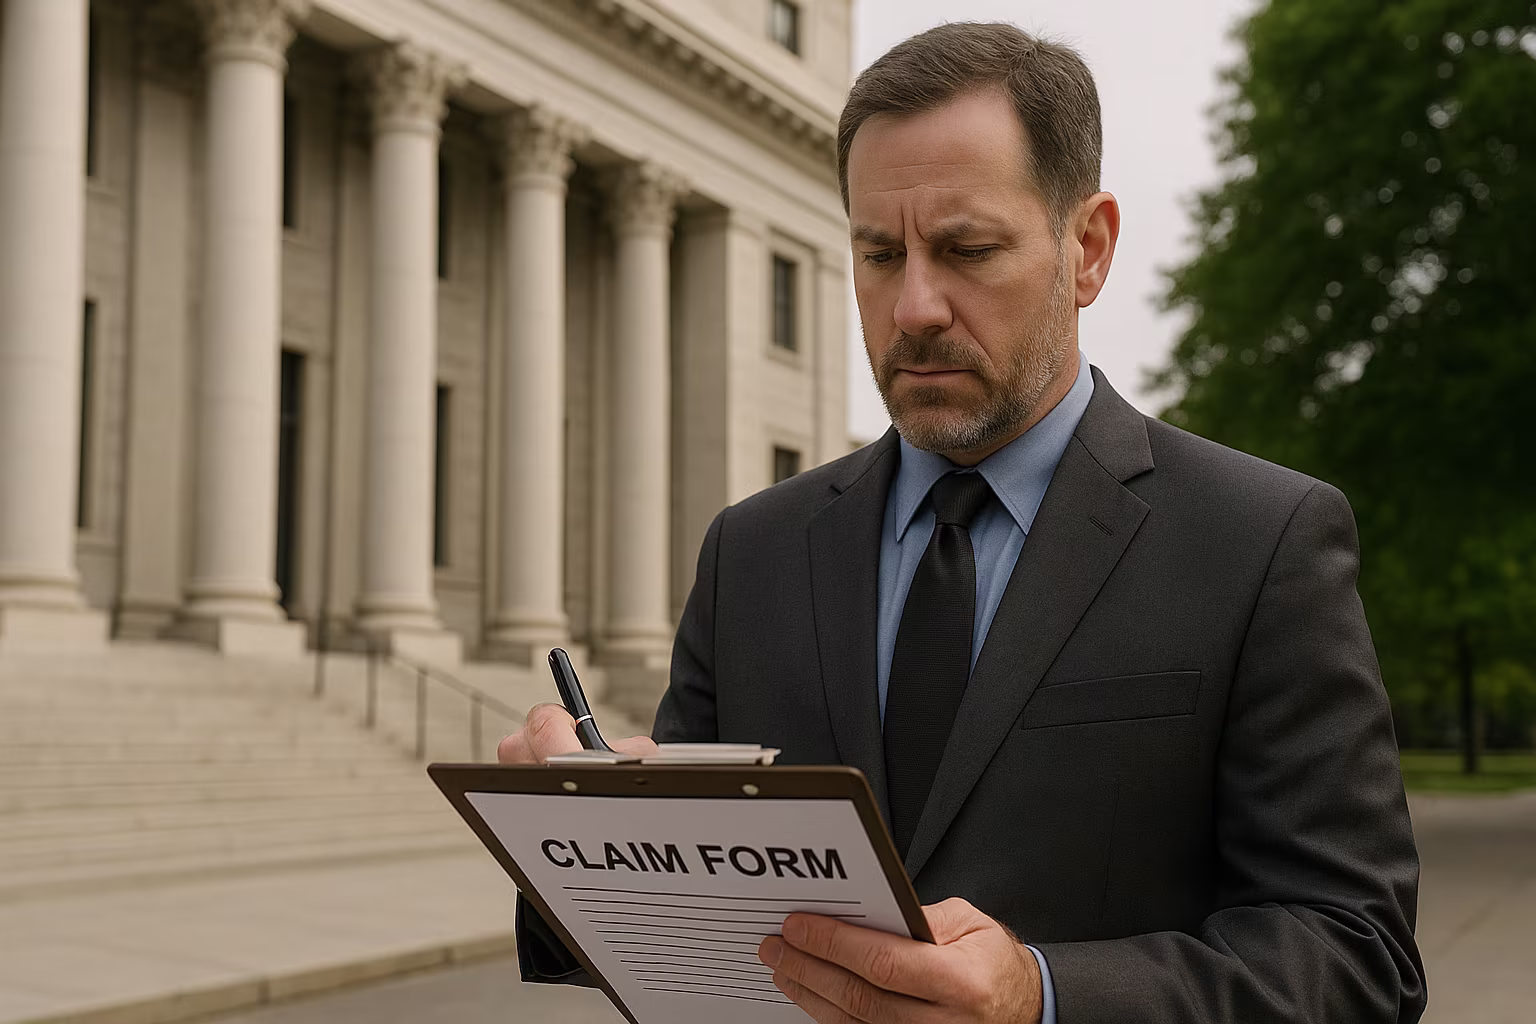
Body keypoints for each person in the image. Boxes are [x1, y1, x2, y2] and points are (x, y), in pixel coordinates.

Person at [499, 22, 1427, 1024]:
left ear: (1088, 249)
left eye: (966, 250)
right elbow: (685, 929)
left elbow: (1357, 957)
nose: (913, 307)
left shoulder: (1261, 540)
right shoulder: (751, 552)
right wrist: (582, 836)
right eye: (878, 253)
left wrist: (1044, 996)